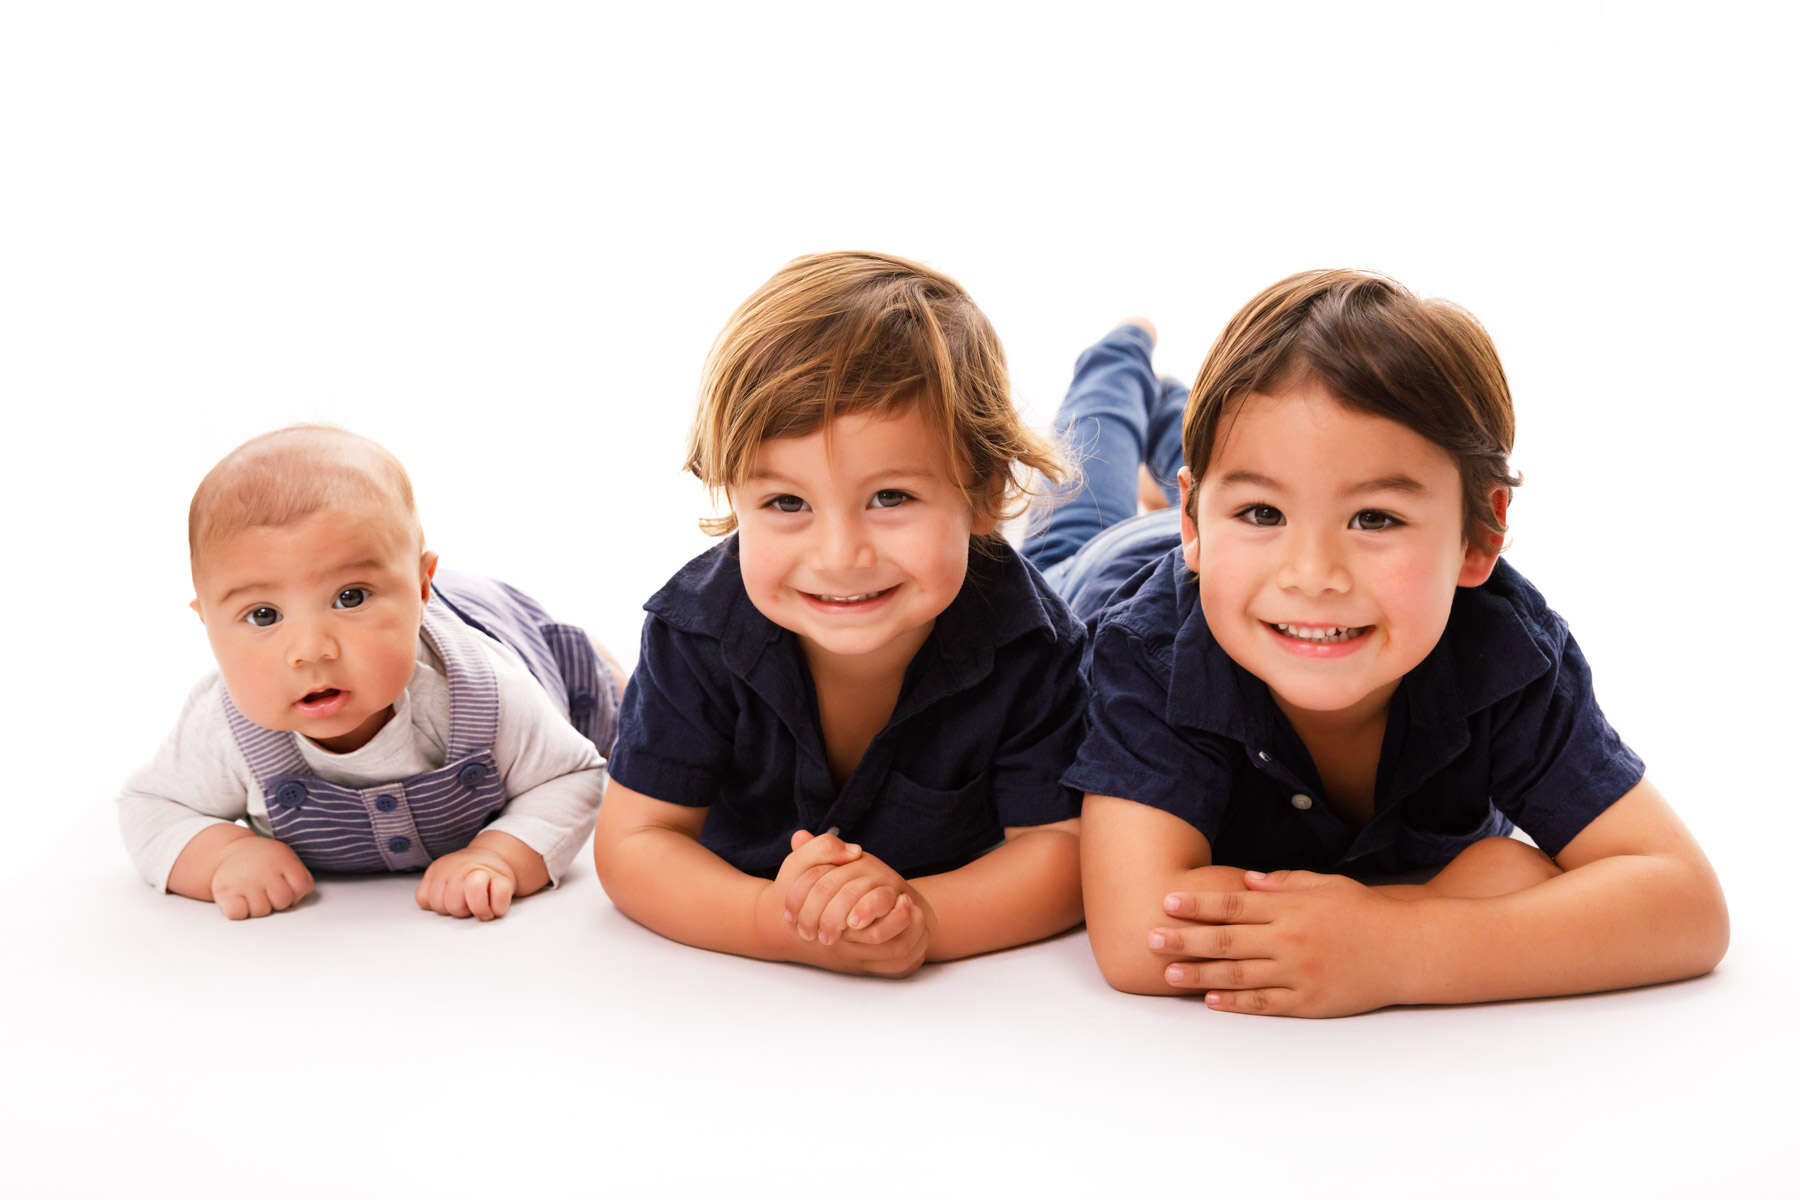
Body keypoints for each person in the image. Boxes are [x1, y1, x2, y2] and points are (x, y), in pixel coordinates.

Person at [1033, 272, 1728, 1016]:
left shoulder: (1505, 652)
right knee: (1080, 502)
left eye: (1375, 519)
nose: (1313, 575)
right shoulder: (1150, 652)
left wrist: (1397, 949)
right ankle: (1120, 360)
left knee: (1263, 465)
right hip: (1109, 570)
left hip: (1215, 548)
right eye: (1261, 512)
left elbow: (1687, 906)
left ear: (1481, 535)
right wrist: (1465, 911)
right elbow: (1141, 934)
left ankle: (1197, 439)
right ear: (1197, 528)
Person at [593, 251, 1088, 977]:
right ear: (734, 498)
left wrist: (922, 920)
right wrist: (776, 923)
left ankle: (1118, 367)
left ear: (982, 493)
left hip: (1093, 571)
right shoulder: (694, 633)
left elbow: (1063, 852)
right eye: (786, 504)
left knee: (1091, 526)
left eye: (890, 498)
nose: (839, 555)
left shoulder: (1032, 643)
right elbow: (636, 844)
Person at [117, 425, 621, 921]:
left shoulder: (481, 693)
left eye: (350, 597)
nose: (310, 651)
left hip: (509, 632)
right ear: (207, 622)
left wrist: (500, 855)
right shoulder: (224, 729)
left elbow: (571, 774)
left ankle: (606, 664)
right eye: (264, 615)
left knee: (615, 717)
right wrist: (221, 854)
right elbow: (151, 806)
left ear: (423, 587)